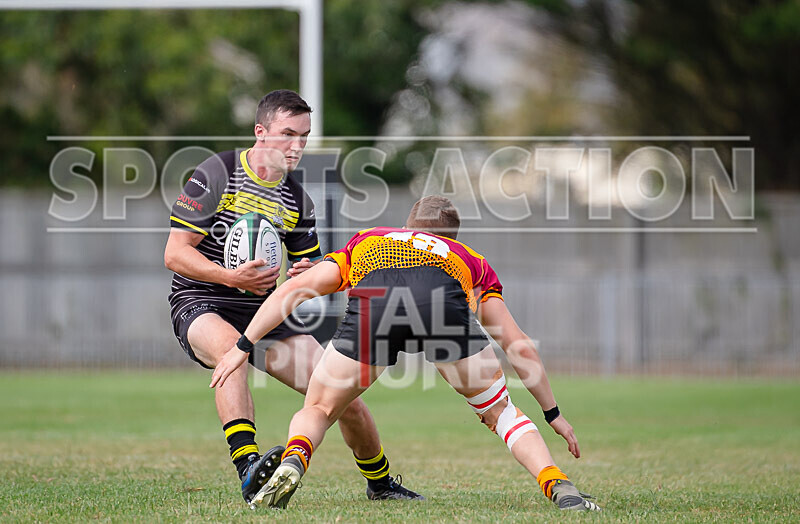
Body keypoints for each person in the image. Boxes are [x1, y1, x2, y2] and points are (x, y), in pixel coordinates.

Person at [211, 195, 602, 511]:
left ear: (405, 226)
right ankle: (558, 485)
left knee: (319, 408)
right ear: (453, 235)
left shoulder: (369, 240)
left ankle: (296, 457)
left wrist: (242, 346)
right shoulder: (469, 259)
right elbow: (515, 342)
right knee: (502, 414)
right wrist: (553, 413)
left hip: (376, 303)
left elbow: (292, 291)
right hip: (441, 304)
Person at [164, 89, 422, 507]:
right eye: (288, 134)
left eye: (304, 136)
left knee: (338, 389)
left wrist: (307, 274)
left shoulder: (297, 199)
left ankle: (381, 483)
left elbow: (309, 271)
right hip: (202, 299)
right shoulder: (216, 173)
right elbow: (174, 254)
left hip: (265, 308)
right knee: (233, 353)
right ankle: (250, 468)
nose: (297, 146)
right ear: (260, 132)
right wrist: (232, 277)